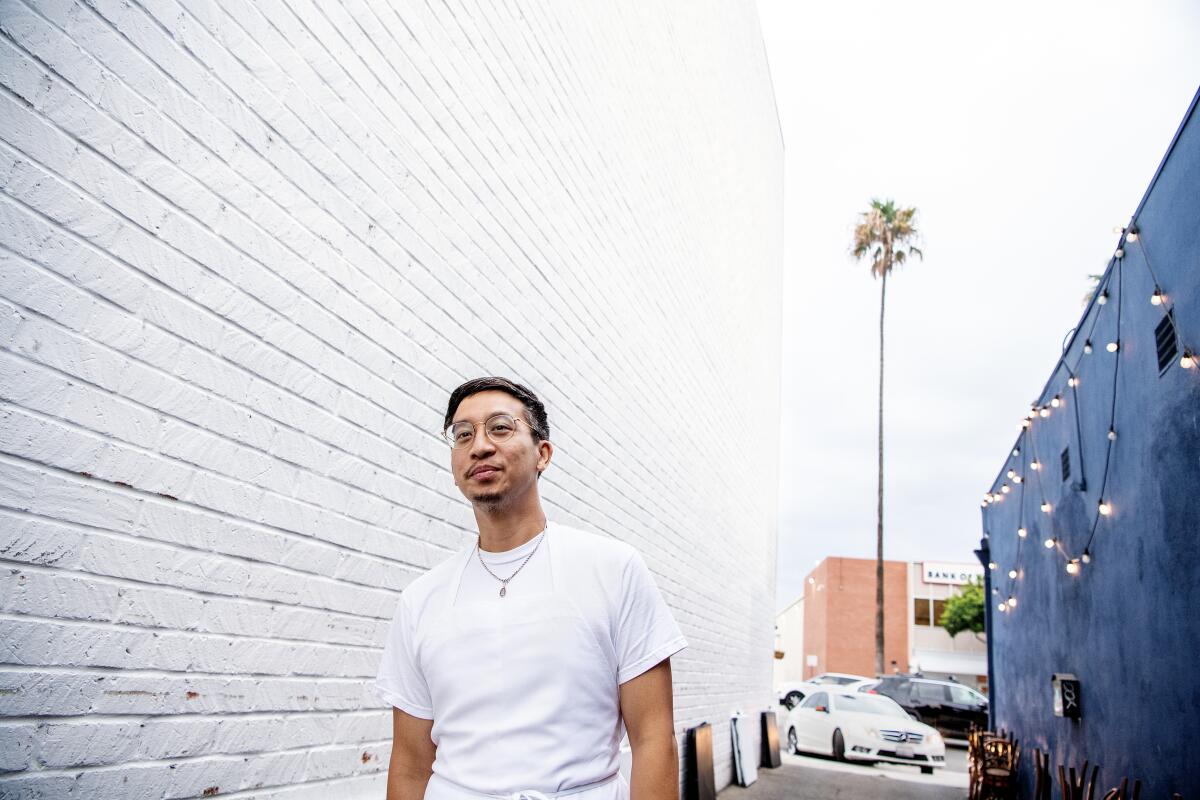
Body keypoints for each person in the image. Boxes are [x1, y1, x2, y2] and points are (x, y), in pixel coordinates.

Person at [376, 377, 688, 800]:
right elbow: (411, 764)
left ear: (543, 454)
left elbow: (653, 738)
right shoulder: (421, 600)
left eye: (500, 428)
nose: (479, 445)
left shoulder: (613, 569)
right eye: (463, 435)